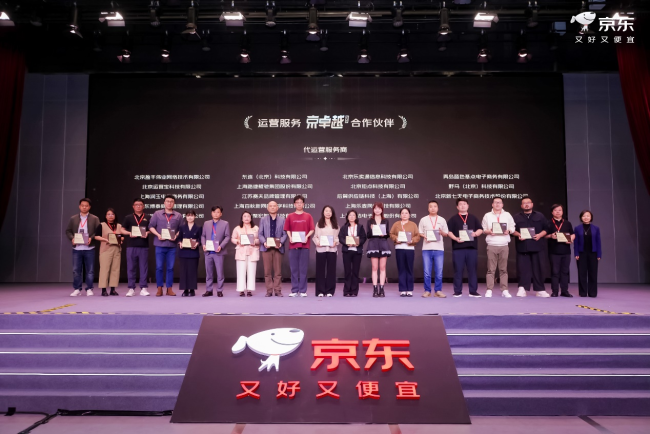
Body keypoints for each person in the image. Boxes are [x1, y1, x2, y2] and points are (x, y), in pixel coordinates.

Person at [513, 196, 550, 297]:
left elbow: (546, 229)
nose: (526, 204)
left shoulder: (540, 216)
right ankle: (522, 288)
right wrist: (518, 234)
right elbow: (512, 230)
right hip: (522, 246)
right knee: (522, 269)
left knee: (539, 268)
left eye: (528, 202)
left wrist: (540, 235)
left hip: (537, 246)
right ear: (521, 205)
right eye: (524, 203)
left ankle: (540, 289)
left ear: (532, 204)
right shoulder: (516, 217)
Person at [447, 198, 484, 297]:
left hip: (471, 248)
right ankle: (457, 291)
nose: (463, 206)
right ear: (457, 207)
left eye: (464, 204)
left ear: (468, 206)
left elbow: (480, 229)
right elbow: (448, 231)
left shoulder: (473, 218)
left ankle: (473, 291)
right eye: (460, 204)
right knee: (458, 270)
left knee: (472, 270)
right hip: (458, 248)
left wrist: (475, 234)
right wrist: (455, 238)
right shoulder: (453, 219)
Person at [148, 194, 184, 297]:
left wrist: (176, 236)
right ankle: (159, 288)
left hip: (172, 246)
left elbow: (181, 229)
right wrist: (158, 235)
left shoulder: (178, 215)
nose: (169, 203)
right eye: (167, 201)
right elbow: (151, 226)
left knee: (170, 268)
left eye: (171, 201)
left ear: (174, 203)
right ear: (164, 202)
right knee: (159, 267)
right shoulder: (157, 214)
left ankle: (169, 288)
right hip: (160, 244)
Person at [481, 196, 516, 298]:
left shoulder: (507, 215)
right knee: (490, 270)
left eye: (499, 202)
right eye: (495, 202)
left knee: (503, 269)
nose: (497, 204)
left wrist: (509, 231)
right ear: (492, 204)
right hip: (492, 245)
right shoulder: (487, 215)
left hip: (504, 245)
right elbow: (483, 229)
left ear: (502, 204)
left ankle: (504, 290)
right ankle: (489, 290)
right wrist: (488, 231)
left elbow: (513, 227)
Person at [65, 198, 100, 297]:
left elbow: (98, 231)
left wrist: (91, 238)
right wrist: (72, 238)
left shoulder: (94, 218)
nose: (84, 207)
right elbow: (68, 231)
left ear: (89, 207)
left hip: (89, 248)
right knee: (76, 270)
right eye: (82, 205)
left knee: (90, 270)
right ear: (79, 206)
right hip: (77, 248)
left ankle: (89, 288)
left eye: (86, 206)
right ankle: (77, 289)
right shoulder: (73, 218)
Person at [283, 195, 315, 297]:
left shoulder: (308, 216)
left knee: (303, 269)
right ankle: (294, 290)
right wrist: (290, 237)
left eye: (301, 202)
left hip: (305, 246)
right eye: (297, 202)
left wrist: (307, 236)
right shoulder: (290, 216)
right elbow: (287, 229)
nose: (299, 204)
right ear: (294, 204)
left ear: (303, 204)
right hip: (293, 246)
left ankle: (302, 290)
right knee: (294, 269)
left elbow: (312, 229)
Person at [120, 199, 151, 297]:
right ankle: (131, 288)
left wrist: (147, 233)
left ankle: (144, 288)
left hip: (143, 246)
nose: (138, 206)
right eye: (136, 205)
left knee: (143, 268)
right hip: (131, 246)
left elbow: (152, 229)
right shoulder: (128, 217)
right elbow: (122, 230)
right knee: (131, 267)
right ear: (133, 206)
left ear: (143, 206)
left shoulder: (148, 217)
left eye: (140, 204)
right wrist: (129, 233)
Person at [418, 200, 449, 298]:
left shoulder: (442, 220)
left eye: (435, 206)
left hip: (439, 249)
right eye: (430, 206)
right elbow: (420, 232)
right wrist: (424, 236)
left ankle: (438, 291)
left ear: (437, 208)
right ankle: (427, 290)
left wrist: (441, 233)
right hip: (426, 248)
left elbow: (446, 233)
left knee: (439, 272)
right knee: (427, 272)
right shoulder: (423, 219)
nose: (433, 208)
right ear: (428, 208)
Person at [544, 204, 575, 298]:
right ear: (552, 212)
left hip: (566, 251)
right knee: (555, 272)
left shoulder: (567, 223)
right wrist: (550, 236)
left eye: (560, 210)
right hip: (554, 251)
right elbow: (544, 235)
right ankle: (555, 291)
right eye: (555, 210)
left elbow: (572, 234)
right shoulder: (548, 223)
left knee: (565, 272)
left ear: (562, 212)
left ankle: (564, 291)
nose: (558, 212)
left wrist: (571, 239)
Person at [389, 207, 421, 297]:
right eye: (402, 213)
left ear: (409, 215)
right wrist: (396, 239)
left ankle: (409, 289)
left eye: (406, 213)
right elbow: (391, 234)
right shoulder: (396, 224)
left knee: (409, 269)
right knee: (401, 269)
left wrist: (412, 240)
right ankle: (402, 289)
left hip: (410, 248)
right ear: (400, 215)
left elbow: (417, 236)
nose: (404, 215)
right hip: (399, 248)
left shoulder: (413, 224)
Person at [258, 201, 287, 297]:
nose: (272, 207)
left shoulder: (282, 220)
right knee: (267, 271)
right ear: (267, 208)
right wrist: (264, 242)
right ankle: (269, 290)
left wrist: (281, 243)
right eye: (270, 206)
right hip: (266, 248)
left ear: (277, 207)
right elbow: (260, 234)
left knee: (278, 271)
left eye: (274, 206)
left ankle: (278, 290)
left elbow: (285, 234)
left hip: (278, 248)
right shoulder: (263, 219)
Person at [201, 206, 230, 297]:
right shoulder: (206, 223)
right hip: (208, 252)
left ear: (221, 214)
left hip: (219, 252)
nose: (216, 214)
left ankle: (219, 290)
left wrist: (221, 246)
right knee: (208, 273)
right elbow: (203, 235)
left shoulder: (225, 223)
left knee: (220, 273)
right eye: (214, 212)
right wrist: (203, 244)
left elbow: (227, 236)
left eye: (218, 212)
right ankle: (209, 290)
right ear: (211, 213)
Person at [94, 208, 123, 297]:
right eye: (108, 214)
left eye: (112, 214)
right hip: (106, 249)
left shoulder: (119, 226)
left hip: (117, 249)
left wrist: (121, 240)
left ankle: (113, 290)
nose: (110, 216)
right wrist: (105, 239)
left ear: (115, 216)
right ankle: (103, 290)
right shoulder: (101, 225)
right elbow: (96, 236)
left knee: (115, 269)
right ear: (105, 216)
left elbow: (122, 237)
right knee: (104, 269)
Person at [313, 205, 340, 297]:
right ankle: (320, 291)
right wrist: (317, 242)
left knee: (331, 270)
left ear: (332, 213)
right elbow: (315, 236)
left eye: (330, 211)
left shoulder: (336, 224)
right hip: (321, 249)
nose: (328, 213)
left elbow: (337, 237)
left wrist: (335, 242)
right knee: (320, 270)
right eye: (326, 211)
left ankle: (330, 291)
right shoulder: (319, 224)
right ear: (323, 213)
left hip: (332, 250)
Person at [573, 210, 601, 298]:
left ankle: (592, 293)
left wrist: (599, 254)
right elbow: (576, 242)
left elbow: (598, 242)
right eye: (584, 216)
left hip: (593, 253)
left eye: (588, 216)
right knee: (582, 273)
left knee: (593, 273)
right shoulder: (577, 228)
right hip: (581, 253)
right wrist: (576, 253)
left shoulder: (596, 228)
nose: (586, 217)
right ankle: (583, 292)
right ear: (581, 217)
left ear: (591, 217)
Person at [339, 209, 367, 297]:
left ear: (356, 217)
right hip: (347, 251)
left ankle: (354, 291)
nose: (351, 217)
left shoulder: (360, 227)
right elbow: (340, 237)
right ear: (347, 217)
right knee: (347, 271)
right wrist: (346, 243)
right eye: (350, 215)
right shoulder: (344, 227)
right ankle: (347, 290)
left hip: (357, 251)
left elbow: (364, 237)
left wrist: (358, 243)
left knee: (355, 271)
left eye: (353, 215)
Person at [232, 211, 260, 297]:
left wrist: (254, 241)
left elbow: (260, 239)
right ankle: (241, 290)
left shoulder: (256, 228)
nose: (246, 218)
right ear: (242, 218)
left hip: (252, 251)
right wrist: (238, 241)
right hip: (241, 251)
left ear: (251, 218)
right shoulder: (237, 228)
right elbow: (233, 238)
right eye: (244, 216)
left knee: (251, 272)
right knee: (241, 272)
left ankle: (249, 290)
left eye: (248, 216)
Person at [366, 202, 391, 298]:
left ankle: (382, 288)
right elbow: (368, 235)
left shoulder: (385, 221)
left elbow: (388, 234)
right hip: (373, 245)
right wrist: (372, 230)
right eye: (375, 208)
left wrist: (384, 234)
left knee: (383, 267)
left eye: (379, 208)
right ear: (373, 210)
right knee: (374, 267)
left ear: (382, 210)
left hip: (383, 245)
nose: (377, 210)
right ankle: (375, 288)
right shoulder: (370, 221)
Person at [177, 209, 201, 297]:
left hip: (193, 252)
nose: (190, 217)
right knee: (184, 271)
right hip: (183, 252)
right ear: (186, 217)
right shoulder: (182, 227)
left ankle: (192, 289)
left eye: (191, 215)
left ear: (195, 217)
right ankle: (185, 289)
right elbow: (179, 238)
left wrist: (197, 243)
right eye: (188, 215)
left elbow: (200, 239)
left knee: (192, 271)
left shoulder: (198, 227)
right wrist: (180, 243)